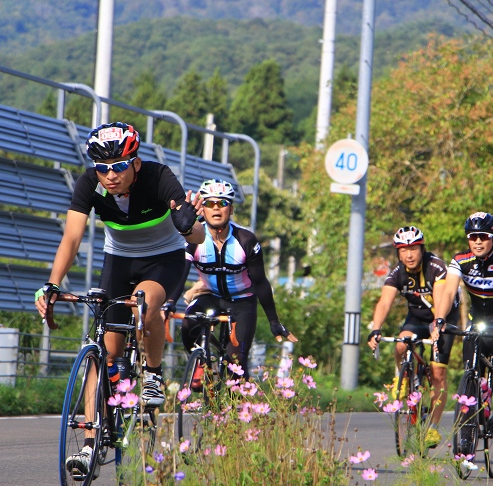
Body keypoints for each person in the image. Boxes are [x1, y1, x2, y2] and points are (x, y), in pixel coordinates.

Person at [34, 122, 204, 478]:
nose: (110, 175)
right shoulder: (89, 183)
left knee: (144, 301)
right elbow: (72, 238)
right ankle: (91, 444)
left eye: (119, 167)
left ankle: (153, 374)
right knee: (106, 353)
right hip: (119, 261)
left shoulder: (159, 178)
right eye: (102, 168)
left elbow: (197, 232)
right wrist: (52, 284)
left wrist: (189, 225)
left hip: (164, 260)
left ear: (135, 163)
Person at [174, 179, 298, 383]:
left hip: (242, 300)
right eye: (209, 203)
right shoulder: (194, 238)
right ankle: (201, 362)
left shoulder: (246, 240)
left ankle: (240, 409)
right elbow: (180, 272)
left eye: (222, 203)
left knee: (236, 365)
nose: (216, 208)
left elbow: (260, 283)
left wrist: (274, 321)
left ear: (230, 209)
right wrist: (169, 303)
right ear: (201, 209)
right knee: (188, 326)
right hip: (210, 296)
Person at [366, 226, 459, 448]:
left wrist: (437, 324)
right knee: (401, 344)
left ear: (422, 248)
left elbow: (440, 299)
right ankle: (404, 376)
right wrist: (376, 328)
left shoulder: (436, 267)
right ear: (398, 252)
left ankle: (433, 430)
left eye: (414, 249)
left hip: (443, 317)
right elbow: (385, 301)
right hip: (416, 318)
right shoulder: (397, 272)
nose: (409, 255)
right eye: (403, 250)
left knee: (437, 374)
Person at [432, 211, 493, 417]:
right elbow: (448, 291)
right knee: (470, 358)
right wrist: (439, 319)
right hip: (477, 317)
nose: (478, 242)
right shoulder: (460, 260)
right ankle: (476, 403)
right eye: (473, 237)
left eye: (483, 237)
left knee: (492, 340)